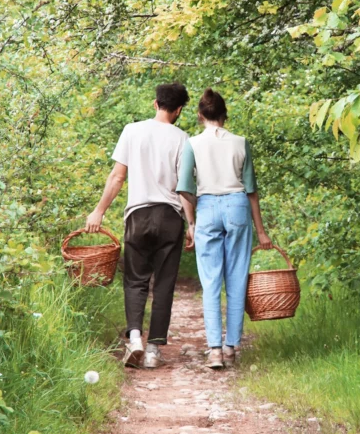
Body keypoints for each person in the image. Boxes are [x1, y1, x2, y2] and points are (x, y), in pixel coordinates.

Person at [86, 82, 190, 369]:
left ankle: (134, 339)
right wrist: (192, 224)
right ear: (179, 110)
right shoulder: (183, 139)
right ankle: (155, 350)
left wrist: (99, 211)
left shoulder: (132, 131)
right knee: (165, 282)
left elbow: (118, 177)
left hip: (138, 215)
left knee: (135, 279)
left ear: (155, 104)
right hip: (170, 217)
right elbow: (185, 189)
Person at [176, 88, 272, 369]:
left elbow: (184, 189)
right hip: (237, 206)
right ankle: (231, 346)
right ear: (224, 114)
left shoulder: (192, 144)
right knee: (237, 277)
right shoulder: (241, 142)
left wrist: (192, 224)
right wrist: (262, 231)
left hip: (206, 207)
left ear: (200, 115)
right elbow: (251, 191)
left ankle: (215, 350)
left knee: (210, 281)